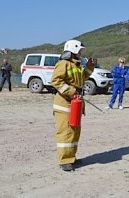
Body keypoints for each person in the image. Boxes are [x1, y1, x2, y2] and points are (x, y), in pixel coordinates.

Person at [51, 40, 95, 171]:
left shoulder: (75, 65)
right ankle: (64, 160)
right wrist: (72, 92)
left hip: (75, 103)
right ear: (73, 50)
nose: (81, 53)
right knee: (66, 132)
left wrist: (90, 66)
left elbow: (82, 78)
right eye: (80, 50)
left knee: (75, 132)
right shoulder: (63, 64)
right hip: (65, 104)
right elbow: (55, 81)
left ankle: (71, 157)